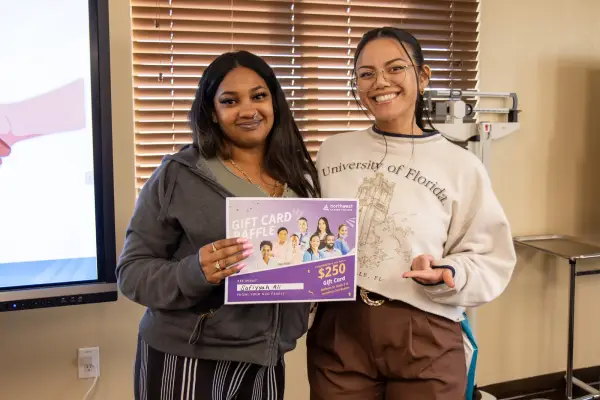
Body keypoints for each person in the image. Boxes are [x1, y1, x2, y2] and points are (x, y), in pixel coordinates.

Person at [306, 27, 516, 399]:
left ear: (422, 76)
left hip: (424, 331)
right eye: (366, 73)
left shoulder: (460, 165)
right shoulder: (333, 152)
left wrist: (447, 273)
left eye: (395, 68)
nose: (380, 82)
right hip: (341, 328)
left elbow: (491, 257)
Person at [116, 50, 320, 400]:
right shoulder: (177, 175)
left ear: (275, 102)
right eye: (230, 100)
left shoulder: (299, 180)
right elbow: (132, 273)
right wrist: (196, 271)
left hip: (266, 359)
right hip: (186, 357)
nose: (248, 110)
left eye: (259, 96)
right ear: (212, 111)